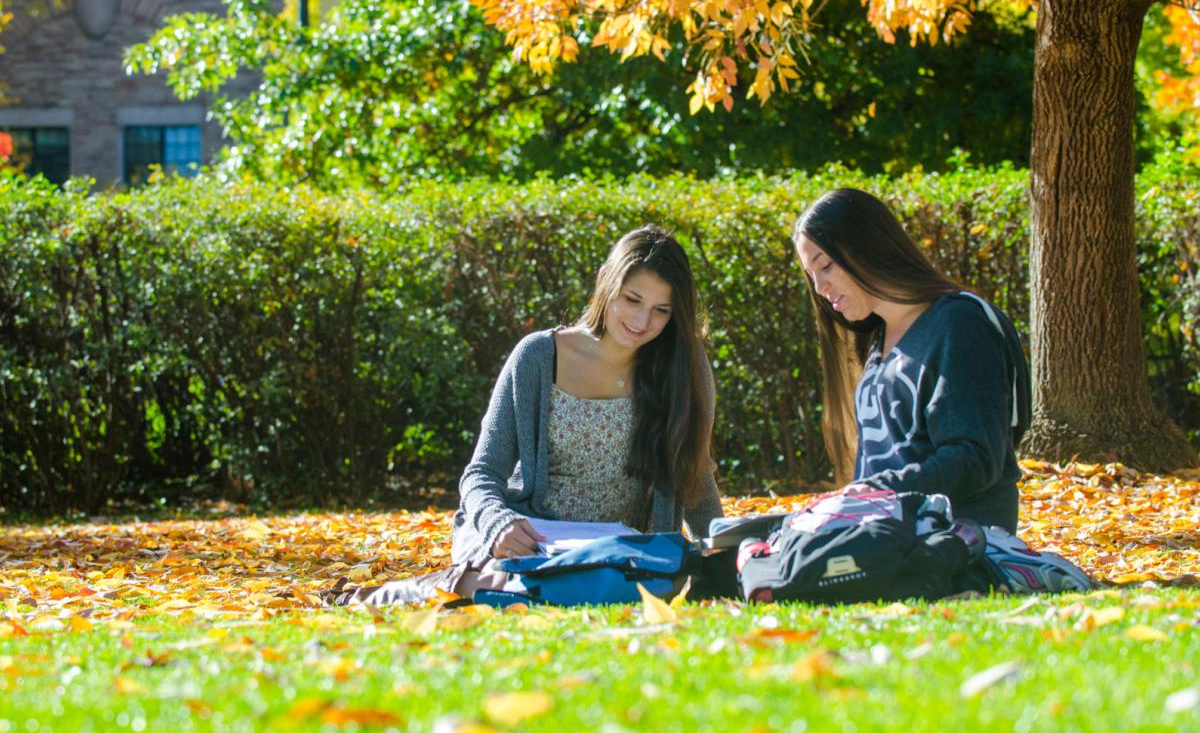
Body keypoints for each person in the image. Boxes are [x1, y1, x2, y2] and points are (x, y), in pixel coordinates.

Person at [330, 225, 723, 605]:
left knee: (634, 583)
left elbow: (696, 475)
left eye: (661, 310)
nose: (641, 322)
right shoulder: (538, 356)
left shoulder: (682, 367)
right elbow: (481, 474)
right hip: (524, 538)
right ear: (605, 281)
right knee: (536, 583)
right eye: (632, 300)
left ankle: (485, 586)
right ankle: (425, 589)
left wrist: (720, 553)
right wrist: (498, 523)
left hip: (614, 549)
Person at [792, 188, 1030, 533]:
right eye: (811, 275)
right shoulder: (880, 339)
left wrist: (878, 492)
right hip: (889, 540)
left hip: (955, 541)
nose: (819, 287)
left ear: (867, 246)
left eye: (825, 265)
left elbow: (976, 459)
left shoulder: (960, 323)